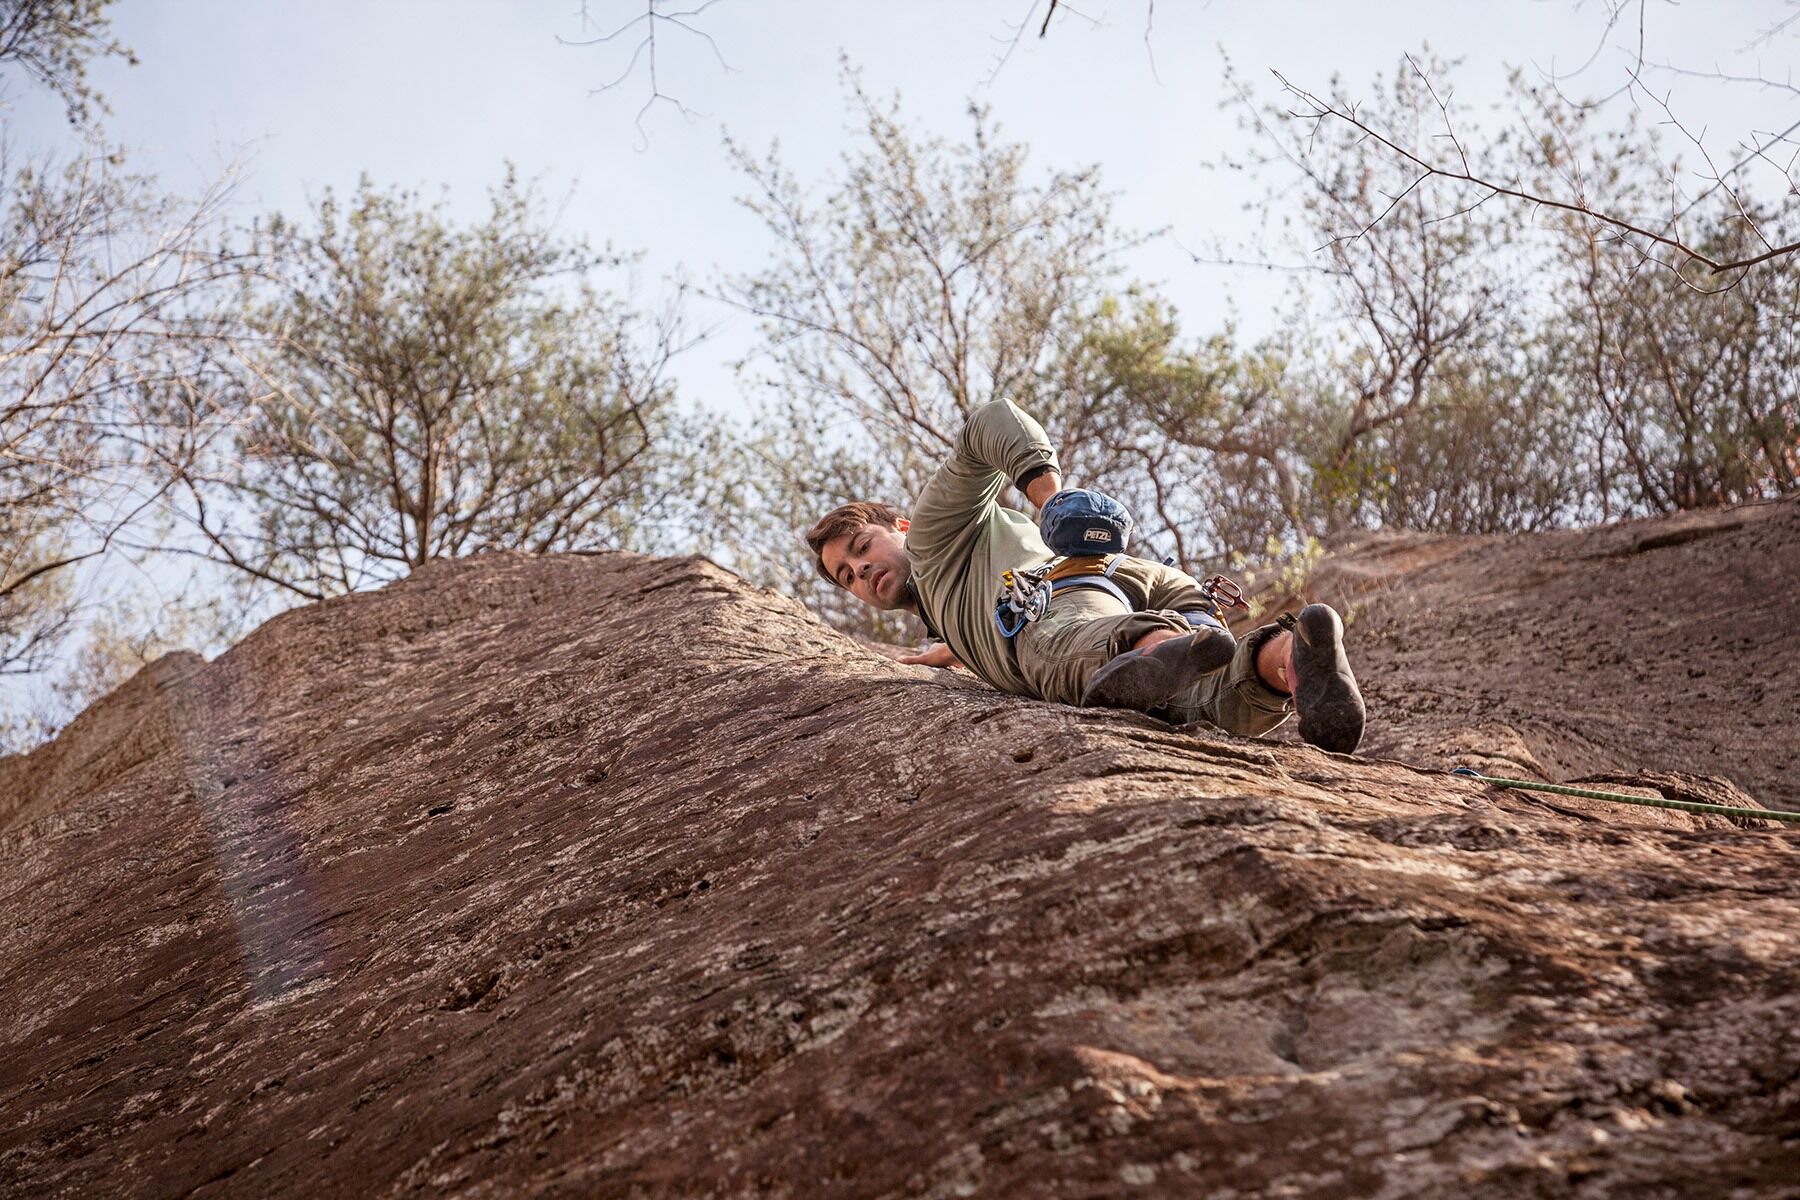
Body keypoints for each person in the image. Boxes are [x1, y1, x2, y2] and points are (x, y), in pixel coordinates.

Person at [804, 399, 1365, 752]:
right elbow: (971, 610)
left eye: (862, 548)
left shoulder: (930, 536)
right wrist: (950, 651)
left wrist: (1052, 500)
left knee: (1054, 652)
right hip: (1130, 583)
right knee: (1209, 702)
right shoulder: (950, 605)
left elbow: (991, 422)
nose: (862, 570)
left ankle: (1161, 643)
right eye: (847, 575)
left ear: (899, 526)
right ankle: (1291, 658)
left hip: (1060, 599)